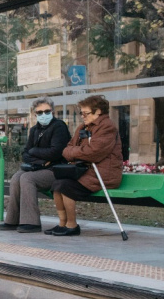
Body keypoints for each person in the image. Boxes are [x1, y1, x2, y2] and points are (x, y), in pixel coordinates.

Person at [49, 94, 123, 236]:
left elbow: (94, 153)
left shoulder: (107, 127)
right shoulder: (83, 127)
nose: (82, 116)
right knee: (57, 185)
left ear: (98, 111)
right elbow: (66, 149)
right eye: (81, 113)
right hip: (86, 171)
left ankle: (72, 225)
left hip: (102, 174)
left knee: (65, 186)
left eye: (86, 113)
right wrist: (78, 151)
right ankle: (62, 223)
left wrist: (74, 152)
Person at [0, 98, 71, 233]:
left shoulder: (59, 126)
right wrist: (40, 160)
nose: (44, 114)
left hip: (56, 170)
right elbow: (25, 153)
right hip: (39, 167)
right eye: (40, 112)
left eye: (47, 111)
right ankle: (13, 220)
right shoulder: (35, 129)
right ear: (35, 114)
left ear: (53, 111)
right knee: (16, 177)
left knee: (27, 178)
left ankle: (31, 222)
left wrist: (34, 151)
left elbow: (55, 152)